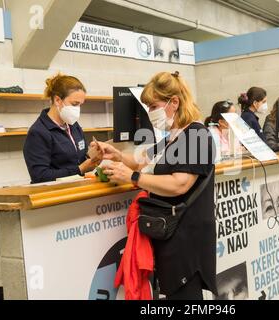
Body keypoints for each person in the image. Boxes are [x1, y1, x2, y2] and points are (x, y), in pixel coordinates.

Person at [91, 71, 217, 300]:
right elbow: (142, 161)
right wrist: (117, 155)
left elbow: (180, 184)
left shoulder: (196, 135)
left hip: (187, 236)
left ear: (174, 102)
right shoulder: (173, 137)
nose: (149, 113)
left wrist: (134, 178)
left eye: (153, 106)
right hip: (172, 234)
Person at [23, 73, 100, 184]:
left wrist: (93, 155)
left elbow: (77, 159)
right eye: (74, 104)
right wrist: (80, 169)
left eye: (80, 105)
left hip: (77, 188)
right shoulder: (38, 132)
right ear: (57, 100)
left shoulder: (74, 125)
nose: (77, 109)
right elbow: (40, 176)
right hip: (54, 194)